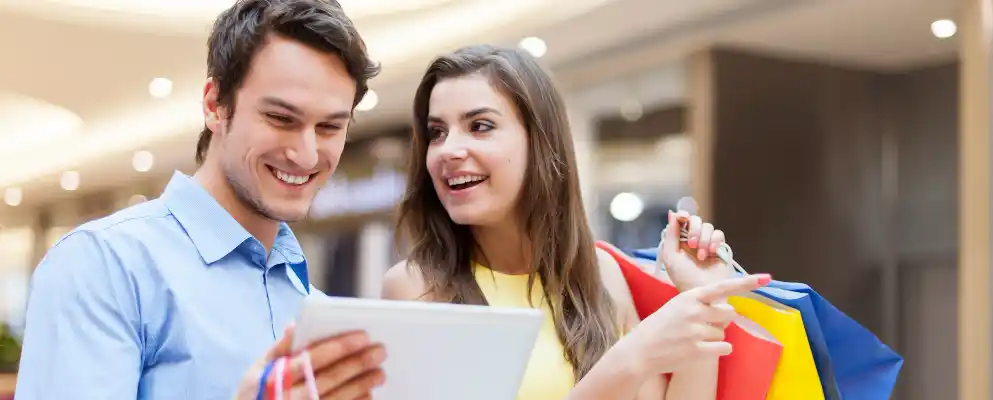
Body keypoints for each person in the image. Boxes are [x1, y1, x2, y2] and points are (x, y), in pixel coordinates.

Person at [16, 1, 387, 399]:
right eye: (281, 119)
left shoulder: (315, 309)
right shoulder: (105, 266)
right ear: (215, 105)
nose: (307, 154)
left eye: (330, 127)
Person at [382, 44, 770, 400]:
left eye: (480, 126)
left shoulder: (601, 274)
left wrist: (699, 302)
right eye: (437, 132)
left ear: (540, 141)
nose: (448, 150)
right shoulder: (415, 288)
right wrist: (628, 362)